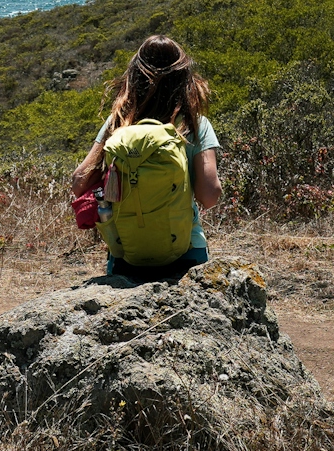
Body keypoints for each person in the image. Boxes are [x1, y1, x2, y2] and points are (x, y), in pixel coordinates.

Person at [71, 34, 221, 283]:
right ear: (185, 79)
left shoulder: (118, 124)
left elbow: (79, 182)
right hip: (186, 251)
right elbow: (209, 195)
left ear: (133, 77)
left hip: (126, 253)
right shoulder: (195, 125)